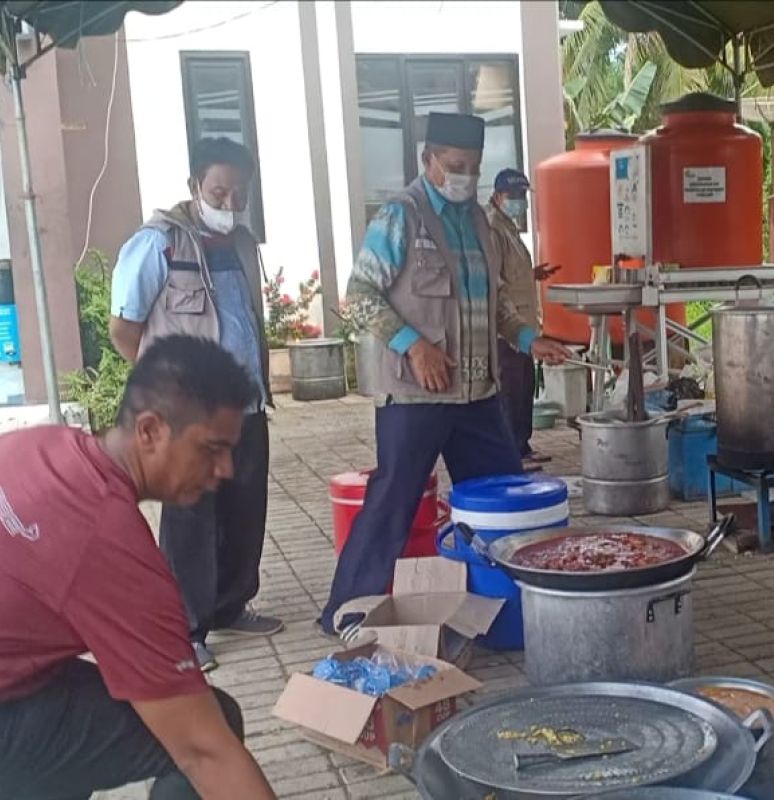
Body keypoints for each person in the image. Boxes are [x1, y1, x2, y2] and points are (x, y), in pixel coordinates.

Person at [320, 112, 572, 636]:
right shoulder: (401, 217)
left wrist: (530, 339)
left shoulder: (480, 222)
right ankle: (344, 611)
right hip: (417, 395)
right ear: (427, 160)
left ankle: (513, 608)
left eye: (474, 168)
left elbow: (496, 302)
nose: (464, 177)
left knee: (505, 502)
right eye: (455, 166)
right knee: (393, 503)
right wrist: (414, 347)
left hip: (477, 396)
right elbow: (359, 298)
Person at [0, 335, 275, 799]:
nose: (226, 469)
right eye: (211, 449)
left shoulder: (47, 444)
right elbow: (202, 752)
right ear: (149, 430)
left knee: (78, 730)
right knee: (211, 726)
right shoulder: (108, 543)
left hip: (17, 675)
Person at [109, 137, 282, 673]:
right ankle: (185, 628)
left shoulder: (241, 244)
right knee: (190, 518)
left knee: (244, 508)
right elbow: (123, 326)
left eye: (238, 194)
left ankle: (231, 604)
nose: (228, 204)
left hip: (245, 406)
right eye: (218, 191)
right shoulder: (158, 244)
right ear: (194, 187)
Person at [485, 168, 561, 469]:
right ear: (497, 195)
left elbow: (509, 272)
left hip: (525, 327)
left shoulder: (508, 227)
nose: (520, 203)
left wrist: (533, 275)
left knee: (525, 386)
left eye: (523, 197)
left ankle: (522, 445)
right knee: (510, 390)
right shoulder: (492, 228)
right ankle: (510, 452)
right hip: (507, 330)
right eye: (514, 196)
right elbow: (493, 281)